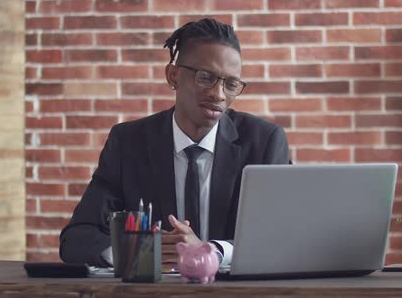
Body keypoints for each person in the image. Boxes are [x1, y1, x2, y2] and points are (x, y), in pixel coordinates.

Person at [59, 18, 290, 268]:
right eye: (205, 77)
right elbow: (77, 239)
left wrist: (211, 251)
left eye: (231, 84)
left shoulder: (264, 142)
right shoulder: (128, 143)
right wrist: (142, 253)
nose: (219, 94)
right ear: (173, 76)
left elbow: (284, 237)